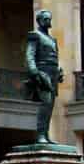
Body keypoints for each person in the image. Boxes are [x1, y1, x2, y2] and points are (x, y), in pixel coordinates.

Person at [24, 9, 64, 144]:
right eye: (46, 19)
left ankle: (46, 135)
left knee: (50, 106)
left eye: (49, 19)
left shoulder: (53, 40)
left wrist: (59, 71)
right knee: (45, 103)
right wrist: (34, 72)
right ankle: (41, 134)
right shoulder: (34, 35)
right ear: (39, 21)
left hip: (53, 74)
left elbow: (55, 58)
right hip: (42, 73)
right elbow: (30, 55)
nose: (48, 21)